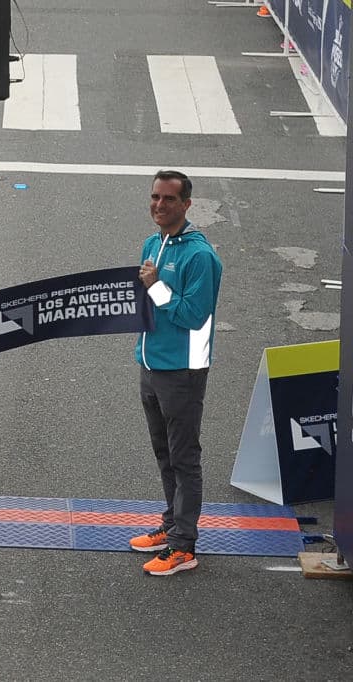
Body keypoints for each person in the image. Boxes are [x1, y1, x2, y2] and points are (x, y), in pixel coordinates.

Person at [129, 170, 223, 576]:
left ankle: (184, 545)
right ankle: (172, 524)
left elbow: (193, 314)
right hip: (151, 365)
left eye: (168, 199)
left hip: (183, 370)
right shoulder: (155, 242)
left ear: (187, 204)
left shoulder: (200, 256)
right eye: (155, 197)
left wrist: (155, 288)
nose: (159, 205)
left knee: (184, 458)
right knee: (164, 452)